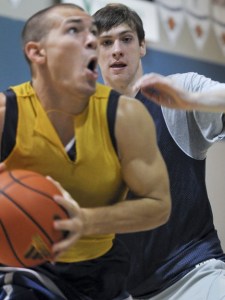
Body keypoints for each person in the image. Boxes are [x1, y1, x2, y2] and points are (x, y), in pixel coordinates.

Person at [0, 3, 171, 300]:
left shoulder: (125, 116)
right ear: (37, 52)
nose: (92, 40)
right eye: (73, 31)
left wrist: (86, 221)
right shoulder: (6, 114)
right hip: (25, 268)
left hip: (104, 271)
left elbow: (158, 204)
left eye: (92, 33)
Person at [93, 3, 225, 300]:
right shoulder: (80, 129)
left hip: (194, 276)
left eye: (126, 39)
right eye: (105, 42)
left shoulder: (175, 92)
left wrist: (192, 99)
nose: (116, 50)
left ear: (142, 46)